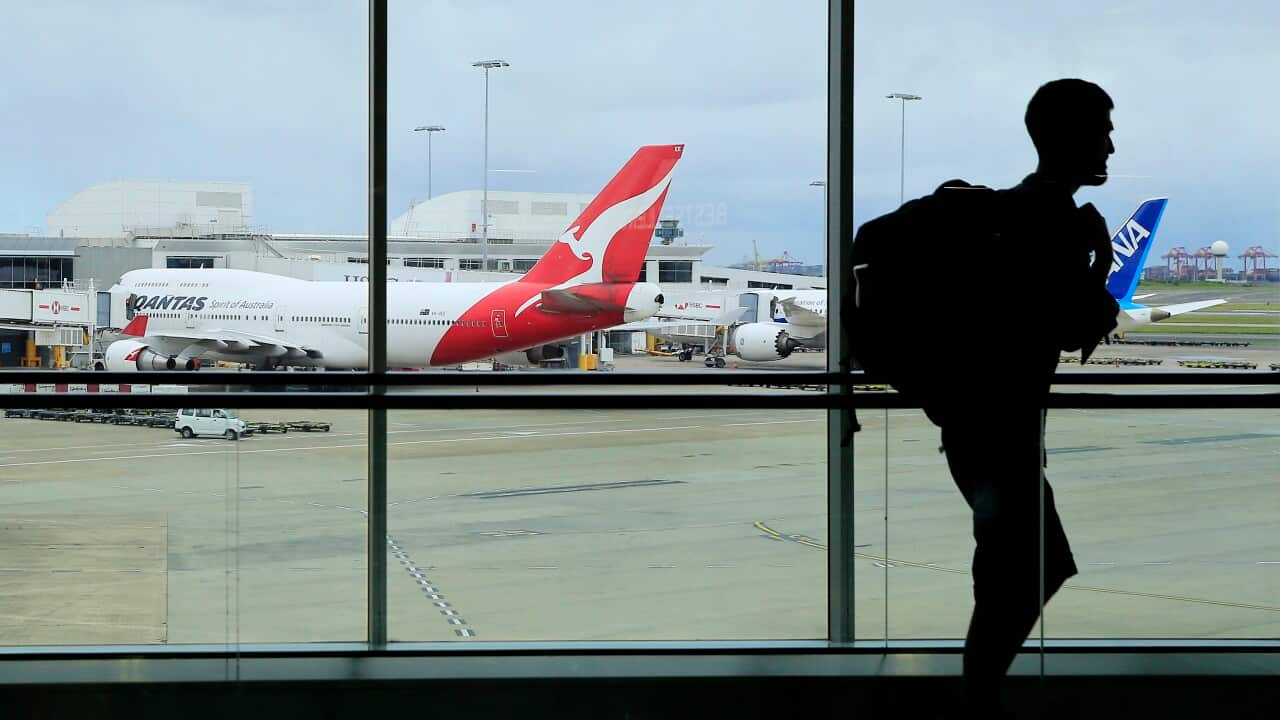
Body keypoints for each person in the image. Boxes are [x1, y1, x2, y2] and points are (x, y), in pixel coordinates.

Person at [935, 79, 1120, 716]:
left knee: (1015, 574)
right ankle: (977, 705)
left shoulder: (1013, 211)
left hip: (975, 424)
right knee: (1023, 577)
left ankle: (978, 699)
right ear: (1068, 137)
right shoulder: (1050, 221)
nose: (1111, 146)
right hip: (1000, 429)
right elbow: (1075, 328)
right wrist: (1097, 258)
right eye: (1102, 130)